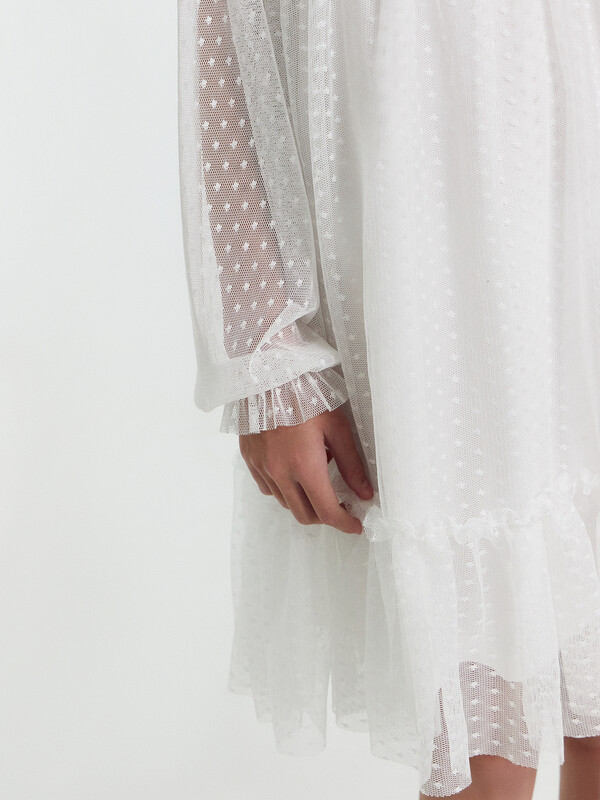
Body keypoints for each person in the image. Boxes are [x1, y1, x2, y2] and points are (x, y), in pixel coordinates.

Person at [177, 1, 600, 797]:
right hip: (427, 214)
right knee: (484, 735)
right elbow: (226, 22)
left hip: (576, 143)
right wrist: (267, 354)